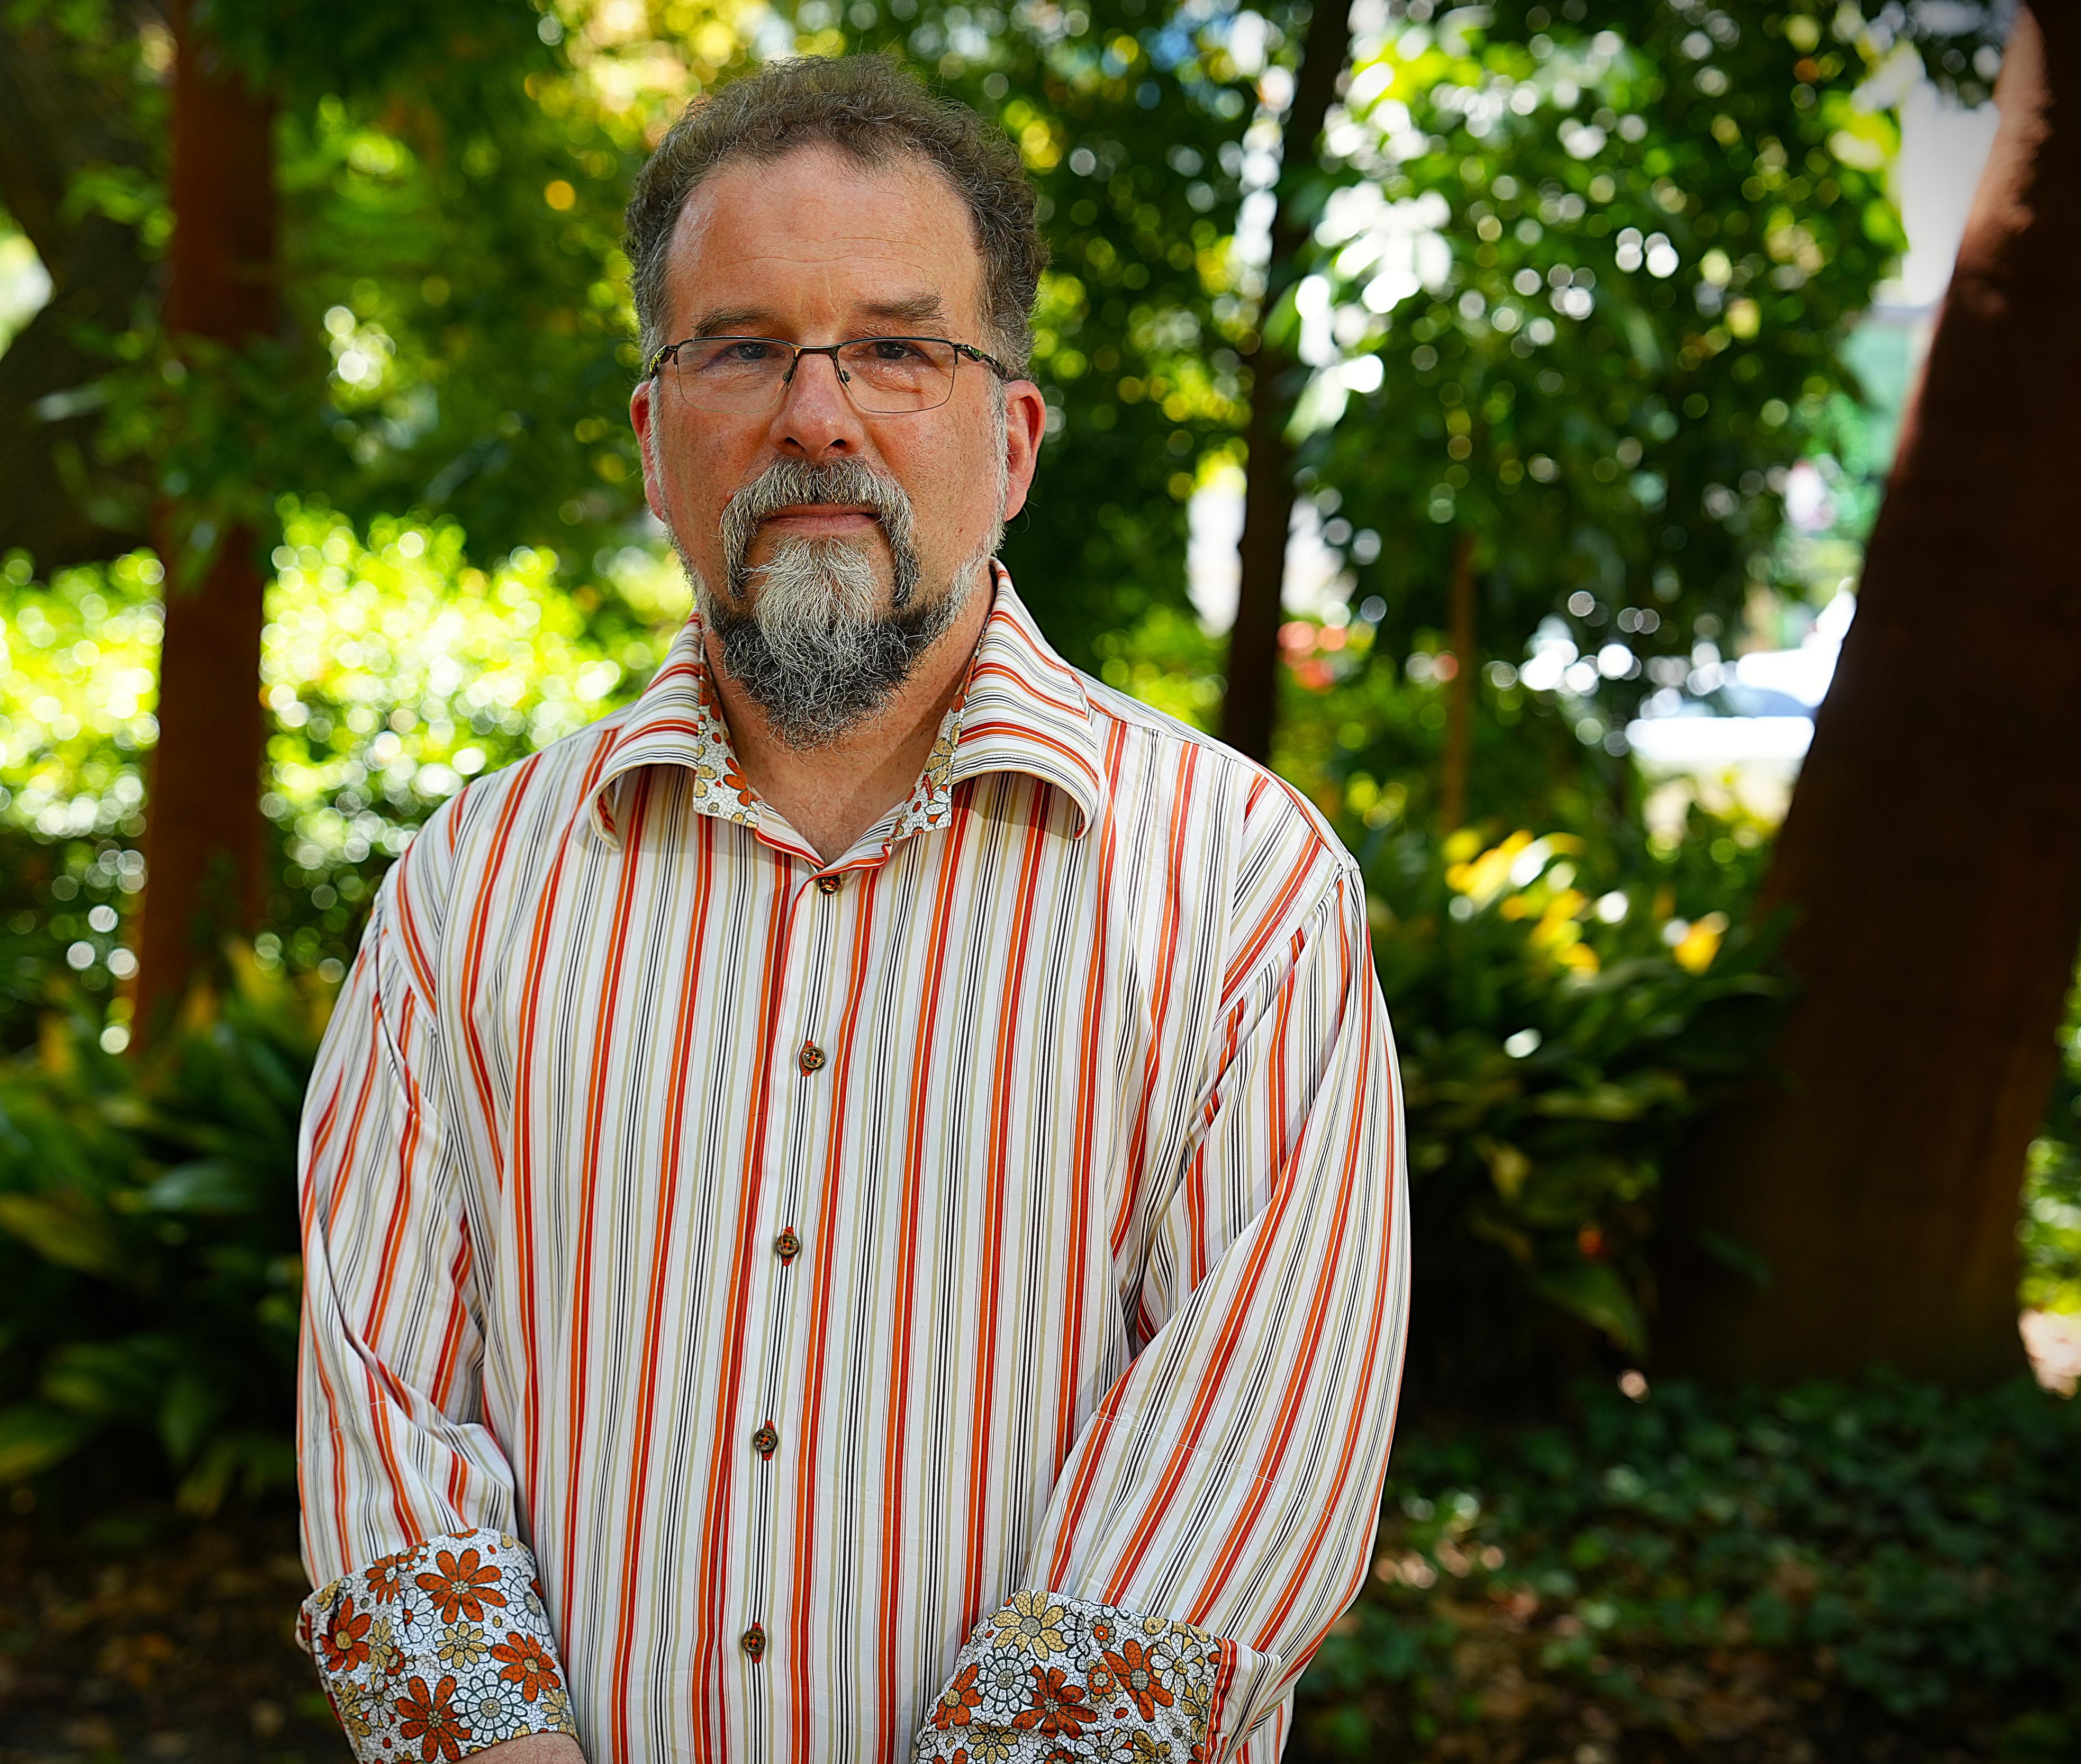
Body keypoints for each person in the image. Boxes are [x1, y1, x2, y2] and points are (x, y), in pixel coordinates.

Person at [292, 54, 1407, 1764]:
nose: (818, 416)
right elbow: (384, 1446)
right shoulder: (469, 892)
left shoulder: (1247, 893)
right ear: (657, 442)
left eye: (898, 347)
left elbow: (1238, 1492)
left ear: (1014, 438)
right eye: (742, 347)